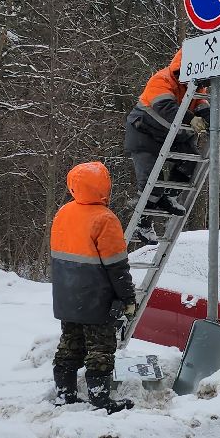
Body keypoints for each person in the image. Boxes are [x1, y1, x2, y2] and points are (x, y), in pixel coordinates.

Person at [49, 161, 137, 412]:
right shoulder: (105, 219)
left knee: (70, 343)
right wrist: (128, 298)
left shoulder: (63, 212)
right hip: (95, 297)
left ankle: (64, 394)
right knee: (100, 348)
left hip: (66, 295)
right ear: (103, 187)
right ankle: (100, 400)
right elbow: (117, 266)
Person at [124, 49, 209, 244]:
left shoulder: (196, 87)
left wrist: (210, 118)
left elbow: (201, 105)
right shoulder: (161, 80)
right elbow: (165, 108)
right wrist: (191, 118)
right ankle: (143, 224)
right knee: (152, 181)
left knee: (190, 162)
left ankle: (169, 197)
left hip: (171, 137)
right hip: (144, 133)